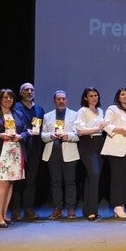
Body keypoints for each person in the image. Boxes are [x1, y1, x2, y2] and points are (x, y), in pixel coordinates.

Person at [0, 88, 29, 228]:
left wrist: (21, 136)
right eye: (5, 97)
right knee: (1, 183)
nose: (8, 100)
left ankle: (4, 214)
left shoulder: (17, 113)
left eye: (11, 98)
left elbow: (26, 131)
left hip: (15, 151)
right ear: (0, 99)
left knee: (10, 183)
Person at [100, 87, 126, 219]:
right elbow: (105, 125)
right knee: (118, 178)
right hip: (117, 147)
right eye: (122, 94)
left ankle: (123, 204)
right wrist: (119, 129)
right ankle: (117, 205)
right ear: (118, 97)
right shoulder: (113, 109)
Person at [41, 90, 79, 220]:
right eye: (58, 99)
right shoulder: (47, 116)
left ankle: (70, 208)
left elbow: (78, 134)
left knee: (70, 181)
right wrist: (50, 136)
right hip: (53, 151)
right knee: (55, 182)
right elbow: (43, 135)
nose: (61, 101)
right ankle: (57, 208)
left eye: (63, 99)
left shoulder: (75, 115)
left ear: (67, 100)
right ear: (54, 101)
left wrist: (68, 136)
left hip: (69, 150)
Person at [11, 82, 45, 221]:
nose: (29, 92)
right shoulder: (15, 107)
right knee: (18, 180)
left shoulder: (40, 109)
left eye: (32, 90)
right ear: (20, 93)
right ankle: (15, 211)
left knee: (31, 180)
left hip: (35, 148)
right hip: (20, 146)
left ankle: (29, 209)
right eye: (26, 90)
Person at [74, 87, 107, 221]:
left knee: (92, 177)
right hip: (87, 144)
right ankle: (93, 210)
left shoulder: (101, 111)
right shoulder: (82, 111)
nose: (94, 97)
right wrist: (97, 128)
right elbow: (80, 131)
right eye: (91, 96)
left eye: (96, 95)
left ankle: (87, 209)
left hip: (100, 144)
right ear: (86, 98)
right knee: (94, 176)